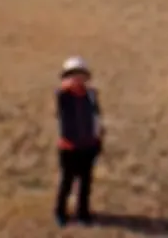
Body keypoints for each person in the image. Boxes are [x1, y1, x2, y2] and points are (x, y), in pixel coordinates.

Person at [54, 57, 104, 227]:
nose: (77, 79)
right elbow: (59, 97)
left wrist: (98, 139)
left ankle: (83, 212)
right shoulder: (63, 96)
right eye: (72, 75)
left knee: (85, 182)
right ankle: (60, 212)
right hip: (69, 147)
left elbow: (96, 117)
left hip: (88, 146)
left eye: (80, 75)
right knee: (67, 182)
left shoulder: (91, 95)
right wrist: (65, 85)